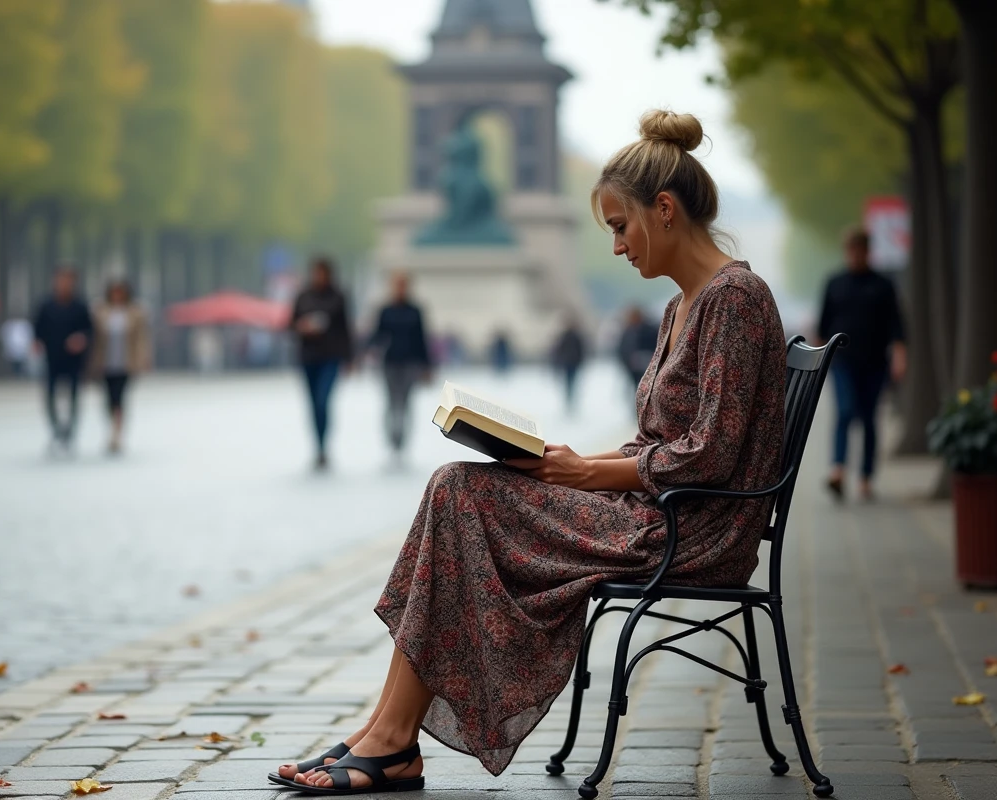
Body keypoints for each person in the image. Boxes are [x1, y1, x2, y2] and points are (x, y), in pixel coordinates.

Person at [270, 110, 787, 795]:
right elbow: (665, 443)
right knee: (454, 486)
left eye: (619, 226)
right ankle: (383, 734)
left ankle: (391, 742)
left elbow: (709, 457)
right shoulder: (683, 305)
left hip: (691, 530)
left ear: (664, 211)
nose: (616, 246)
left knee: (459, 492)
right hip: (658, 510)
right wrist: (568, 463)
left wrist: (582, 473)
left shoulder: (734, 298)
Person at [817, 226, 907, 501]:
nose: (855, 255)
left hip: (875, 362)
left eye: (860, 250)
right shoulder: (834, 282)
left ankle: (866, 477)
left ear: (868, 252)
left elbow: (897, 325)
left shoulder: (883, 285)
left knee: (868, 419)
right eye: (851, 250)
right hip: (841, 362)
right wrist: (818, 361)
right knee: (844, 413)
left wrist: (900, 356)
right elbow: (823, 324)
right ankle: (838, 471)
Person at [290, 256, 353, 470]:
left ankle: (324, 444)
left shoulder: (338, 297)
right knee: (312, 404)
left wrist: (349, 358)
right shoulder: (303, 296)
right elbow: (291, 323)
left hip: (330, 356)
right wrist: (302, 326)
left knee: (322, 401)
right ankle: (319, 446)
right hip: (308, 357)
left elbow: (346, 329)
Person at [366, 272, 433, 455]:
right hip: (390, 362)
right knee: (391, 400)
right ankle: (392, 436)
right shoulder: (386, 310)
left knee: (406, 401)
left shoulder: (415, 311)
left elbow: (421, 339)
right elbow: (377, 334)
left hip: (410, 363)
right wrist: (366, 350)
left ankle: (402, 437)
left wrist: (427, 366)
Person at [33, 266, 93, 452]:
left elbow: (89, 330)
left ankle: (70, 431)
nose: (64, 284)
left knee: (74, 396)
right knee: (49, 396)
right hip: (52, 358)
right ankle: (56, 429)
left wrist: (81, 339)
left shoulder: (80, 306)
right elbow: (37, 329)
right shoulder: (46, 305)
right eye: (61, 280)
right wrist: (37, 343)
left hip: (74, 360)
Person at [90, 278, 151, 455]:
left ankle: (117, 432)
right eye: (114, 291)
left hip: (126, 363)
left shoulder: (136, 312)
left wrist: (144, 358)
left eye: (121, 291)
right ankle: (111, 427)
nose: (117, 295)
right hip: (105, 362)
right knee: (109, 398)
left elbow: (142, 338)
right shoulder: (100, 311)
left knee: (120, 397)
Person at [617, 305, 660, 390]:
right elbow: (622, 350)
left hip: (650, 367)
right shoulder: (627, 332)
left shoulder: (650, 330)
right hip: (634, 369)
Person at [551, 317, 587, 413]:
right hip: (570, 362)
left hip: (571, 362)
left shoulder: (569, 336)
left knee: (570, 382)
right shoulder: (570, 336)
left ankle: (570, 400)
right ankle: (570, 400)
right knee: (570, 382)